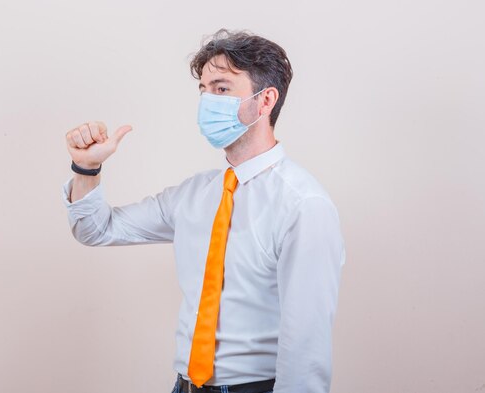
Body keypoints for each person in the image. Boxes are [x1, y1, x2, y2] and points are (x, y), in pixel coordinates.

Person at [62, 29, 346, 393]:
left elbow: (307, 346)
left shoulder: (303, 205)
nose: (208, 101)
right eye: (204, 90)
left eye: (222, 88)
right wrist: (86, 169)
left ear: (265, 101)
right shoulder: (195, 195)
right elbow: (95, 230)